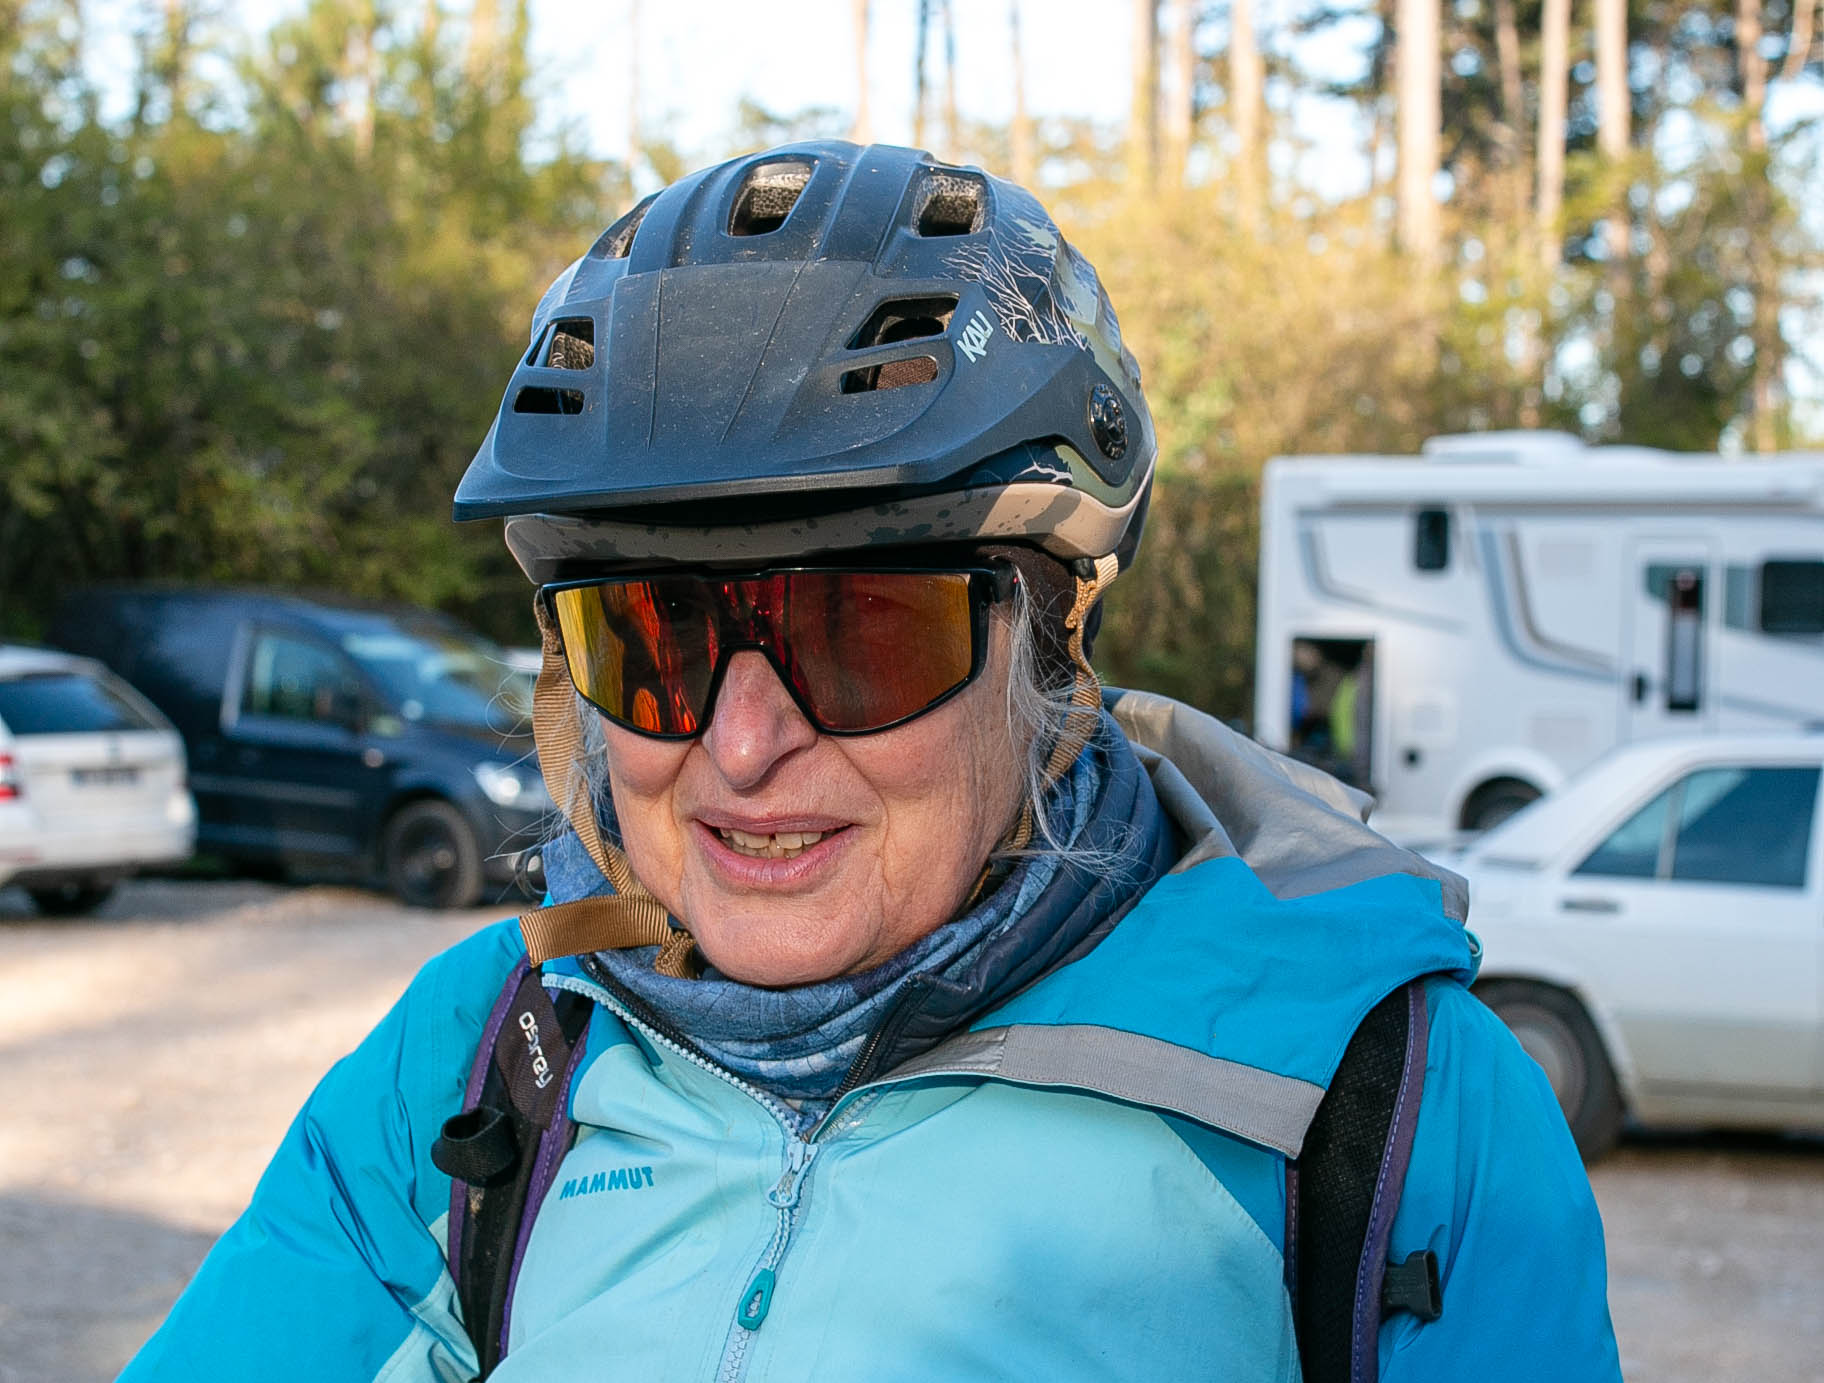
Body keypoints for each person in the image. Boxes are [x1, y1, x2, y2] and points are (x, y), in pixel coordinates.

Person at [122, 142, 1619, 1382]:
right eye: (655, 641)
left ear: (1049, 657)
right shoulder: (484, 1054)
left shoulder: (1382, 1105)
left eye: (858, 638)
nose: (743, 745)